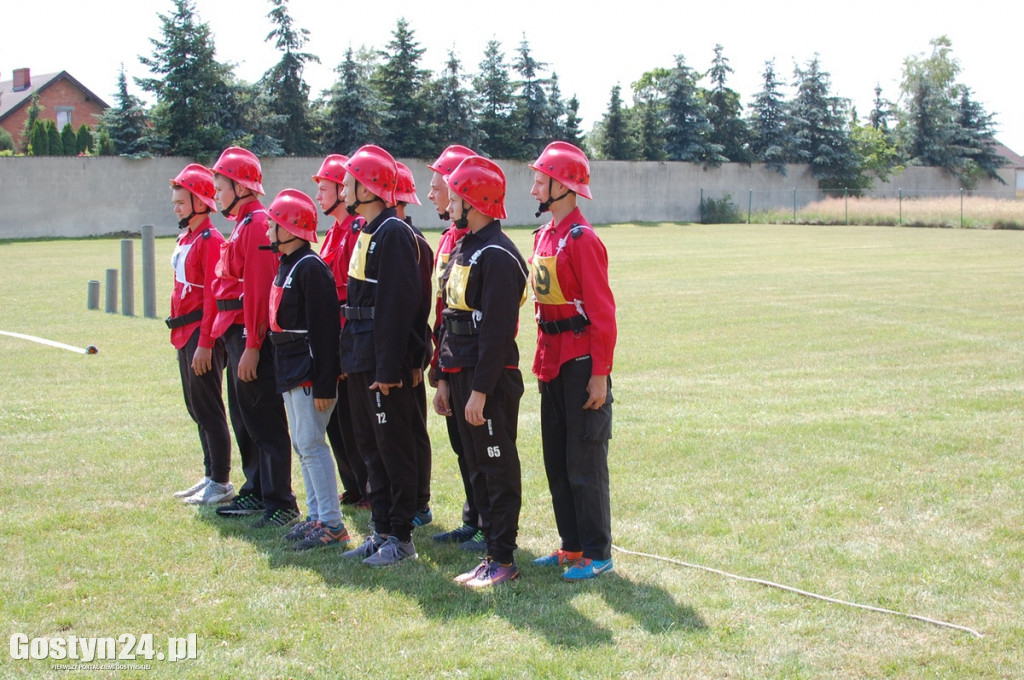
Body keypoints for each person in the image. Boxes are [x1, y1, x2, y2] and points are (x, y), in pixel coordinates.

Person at [434, 155, 528, 588]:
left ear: (474, 201)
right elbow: (451, 316)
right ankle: (490, 553)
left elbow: (495, 333)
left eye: (456, 196)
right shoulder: (465, 245)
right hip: (461, 373)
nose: (449, 202)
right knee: (476, 465)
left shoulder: (498, 255)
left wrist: (480, 391)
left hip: (487, 379)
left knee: (496, 466)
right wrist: (444, 378)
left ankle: (503, 558)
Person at [528, 141, 617, 580]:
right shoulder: (547, 235)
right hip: (551, 361)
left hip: (580, 363)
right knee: (557, 459)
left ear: (562, 187)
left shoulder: (583, 240)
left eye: (540, 180)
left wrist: (599, 376)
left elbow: (603, 314)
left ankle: (598, 553)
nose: (533, 189)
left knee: (584, 462)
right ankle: (572, 546)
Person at [337, 145, 429, 566]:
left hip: (379, 362)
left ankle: (402, 538)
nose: (342, 187)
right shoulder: (367, 229)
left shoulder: (393, 232)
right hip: (359, 354)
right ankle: (382, 529)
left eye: (349, 179)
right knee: (369, 448)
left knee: (393, 450)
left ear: (367, 187)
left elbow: (397, 304)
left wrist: (390, 366)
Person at [208, 146, 300, 529]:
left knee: (264, 420)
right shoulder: (242, 224)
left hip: (251, 339)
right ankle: (257, 487)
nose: (215, 195)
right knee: (245, 417)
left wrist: (251, 345)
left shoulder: (257, 223)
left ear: (240, 186)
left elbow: (259, 292)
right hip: (235, 336)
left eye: (219, 187)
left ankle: (281, 500)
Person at [263, 188, 349, 550]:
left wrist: (325, 382)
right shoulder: (288, 264)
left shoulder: (311, 268)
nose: (269, 232)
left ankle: (331, 522)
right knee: (302, 444)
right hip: (289, 366)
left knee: (312, 444)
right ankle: (316, 516)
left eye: (274, 225)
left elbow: (326, 331)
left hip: (309, 370)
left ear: (291, 229)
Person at [424, 145, 487, 551]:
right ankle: (473, 518)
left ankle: (487, 525)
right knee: (462, 447)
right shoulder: (450, 238)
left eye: (437, 187)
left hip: (471, 360)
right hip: (449, 356)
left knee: (481, 450)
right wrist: (440, 369)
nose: (431, 196)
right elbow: (442, 306)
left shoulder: (479, 243)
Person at [168, 163, 234, 506]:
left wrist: (206, 343)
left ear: (200, 203)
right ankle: (210, 474)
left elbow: (212, 296)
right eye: (176, 203)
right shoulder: (188, 237)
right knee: (196, 407)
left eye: (182, 203)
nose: (176, 208)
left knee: (209, 408)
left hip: (200, 334)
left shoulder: (211, 240)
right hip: (184, 333)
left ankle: (221, 480)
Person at [312, 154, 369, 509]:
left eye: (324, 189)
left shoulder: (355, 230)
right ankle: (354, 483)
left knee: (353, 418)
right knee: (338, 419)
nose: (319, 196)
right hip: (332, 334)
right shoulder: (333, 232)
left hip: (348, 335)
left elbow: (353, 290)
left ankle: (366, 486)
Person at [395, 161, 435, 529]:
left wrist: (413, 358)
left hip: (409, 354)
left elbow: (419, 303)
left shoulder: (415, 241)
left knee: (411, 427)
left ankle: (420, 501)